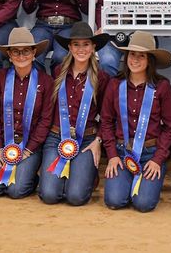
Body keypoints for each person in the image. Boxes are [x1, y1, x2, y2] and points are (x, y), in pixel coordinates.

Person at [100, 31, 171, 212]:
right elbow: (106, 121)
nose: (135, 60)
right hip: (122, 152)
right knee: (114, 201)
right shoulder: (114, 85)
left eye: (141, 56)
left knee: (143, 204)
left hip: (150, 153)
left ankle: (148, 181)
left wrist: (158, 159)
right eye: (132, 54)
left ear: (150, 60)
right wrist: (111, 155)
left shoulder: (162, 87)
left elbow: (170, 128)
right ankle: (124, 183)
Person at [38, 22, 110, 206]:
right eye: (76, 44)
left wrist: (98, 140)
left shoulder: (101, 78)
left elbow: (108, 116)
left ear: (94, 47)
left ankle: (86, 176)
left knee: (76, 197)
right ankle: (61, 178)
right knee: (49, 195)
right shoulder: (57, 72)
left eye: (86, 44)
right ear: (69, 48)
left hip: (87, 139)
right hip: (56, 137)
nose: (81, 49)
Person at [0, 28, 54, 198]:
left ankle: (30, 177)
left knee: (16, 191)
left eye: (26, 51)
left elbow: (45, 120)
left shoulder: (45, 81)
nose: (21, 56)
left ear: (34, 52)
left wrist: (29, 150)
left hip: (30, 145)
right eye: (16, 51)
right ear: (9, 54)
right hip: (1, 143)